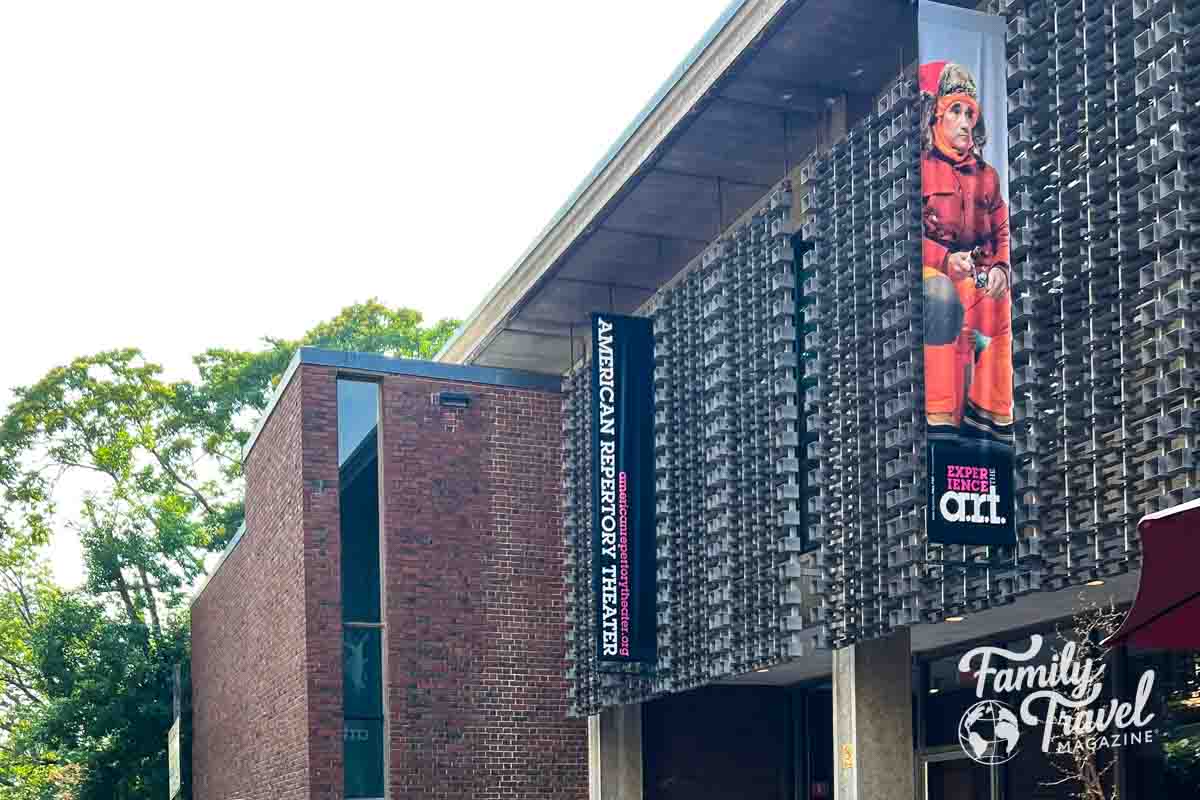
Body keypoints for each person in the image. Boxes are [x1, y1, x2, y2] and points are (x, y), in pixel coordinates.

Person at [920, 60, 1013, 445]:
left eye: (969, 113)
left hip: (973, 278)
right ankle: (941, 421)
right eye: (954, 111)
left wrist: (1001, 270)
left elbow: (1002, 231)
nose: (963, 122)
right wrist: (942, 260)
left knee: (1003, 310)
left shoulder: (987, 176)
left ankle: (986, 421)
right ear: (936, 116)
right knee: (942, 302)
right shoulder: (921, 169)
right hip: (934, 275)